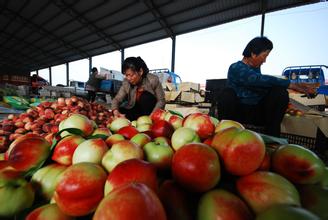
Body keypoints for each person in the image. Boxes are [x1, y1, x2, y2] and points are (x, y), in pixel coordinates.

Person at [218, 36, 316, 137]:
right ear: (253, 54)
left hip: (257, 113)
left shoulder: (256, 69)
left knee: (279, 93)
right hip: (238, 113)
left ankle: (273, 136)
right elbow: (255, 79)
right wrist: (291, 84)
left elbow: (265, 83)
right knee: (227, 94)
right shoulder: (236, 67)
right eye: (264, 56)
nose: (265, 61)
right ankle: (224, 133)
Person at [111, 56, 165, 121]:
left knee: (145, 97)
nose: (128, 78)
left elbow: (161, 100)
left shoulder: (152, 80)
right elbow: (117, 99)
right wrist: (115, 111)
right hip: (135, 110)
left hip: (150, 112)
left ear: (140, 71)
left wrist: (152, 116)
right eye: (126, 75)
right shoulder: (126, 82)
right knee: (119, 109)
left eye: (131, 75)